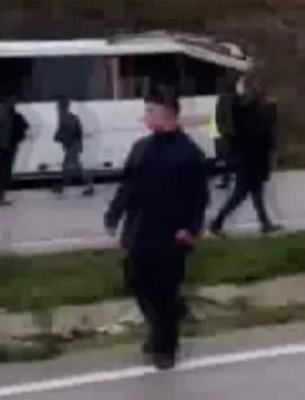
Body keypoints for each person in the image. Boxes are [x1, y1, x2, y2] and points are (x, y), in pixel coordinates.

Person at [104, 86, 210, 370]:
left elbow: (199, 197)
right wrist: (114, 214)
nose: (146, 116)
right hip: (139, 229)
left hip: (172, 233)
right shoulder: (141, 148)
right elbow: (128, 186)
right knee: (136, 282)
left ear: (169, 114)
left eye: (151, 110)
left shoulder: (188, 153)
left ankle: (165, 347)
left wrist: (190, 228)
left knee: (163, 290)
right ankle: (163, 323)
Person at [209, 75, 279, 235]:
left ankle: (264, 223)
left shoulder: (244, 112)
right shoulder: (247, 113)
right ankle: (217, 222)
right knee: (241, 194)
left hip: (249, 158)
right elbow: (262, 136)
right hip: (250, 159)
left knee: (254, 194)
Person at [53, 97, 95, 196]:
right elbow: (77, 131)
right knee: (68, 167)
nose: (57, 108)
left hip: (72, 146)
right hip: (73, 145)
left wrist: (58, 137)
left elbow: (66, 131)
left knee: (75, 167)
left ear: (61, 107)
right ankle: (62, 187)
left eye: (58, 106)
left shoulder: (65, 117)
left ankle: (89, 185)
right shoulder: (70, 117)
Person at [0, 96, 28, 206]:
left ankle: (0, 197)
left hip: (3, 148)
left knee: (1, 174)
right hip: (8, 148)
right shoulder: (12, 117)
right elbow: (24, 126)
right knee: (4, 173)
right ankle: (0, 198)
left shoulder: (2, 117)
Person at [213, 78, 238, 189]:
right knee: (236, 156)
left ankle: (226, 178)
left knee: (227, 157)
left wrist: (220, 129)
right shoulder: (238, 98)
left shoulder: (222, 99)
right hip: (237, 132)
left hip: (226, 132)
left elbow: (218, 116)